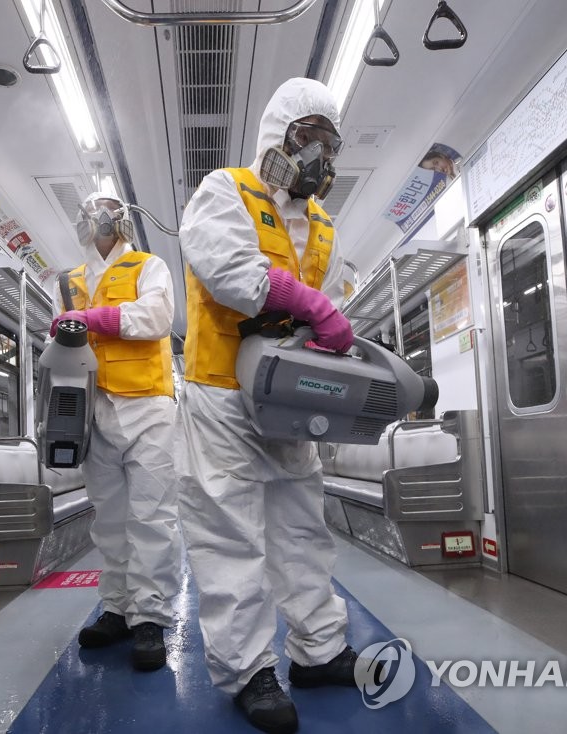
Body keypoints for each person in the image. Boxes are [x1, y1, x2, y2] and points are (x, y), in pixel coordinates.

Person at [175, 77, 359, 733]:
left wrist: (332, 333)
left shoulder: (324, 225)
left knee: (302, 526)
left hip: (288, 397)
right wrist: (310, 305)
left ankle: (319, 649)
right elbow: (229, 271)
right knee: (230, 534)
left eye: (329, 144)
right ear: (277, 135)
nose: (319, 155)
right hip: (222, 391)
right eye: (309, 137)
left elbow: (332, 300)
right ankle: (248, 669)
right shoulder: (226, 190)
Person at [50, 191, 181, 672]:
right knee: (109, 518)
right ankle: (117, 608)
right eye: (95, 208)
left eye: (112, 208)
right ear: (82, 220)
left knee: (152, 515)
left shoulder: (149, 266)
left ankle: (149, 616)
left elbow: (157, 318)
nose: (104, 216)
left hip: (147, 404)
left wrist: (93, 319)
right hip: (93, 407)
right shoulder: (67, 281)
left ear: (124, 218)